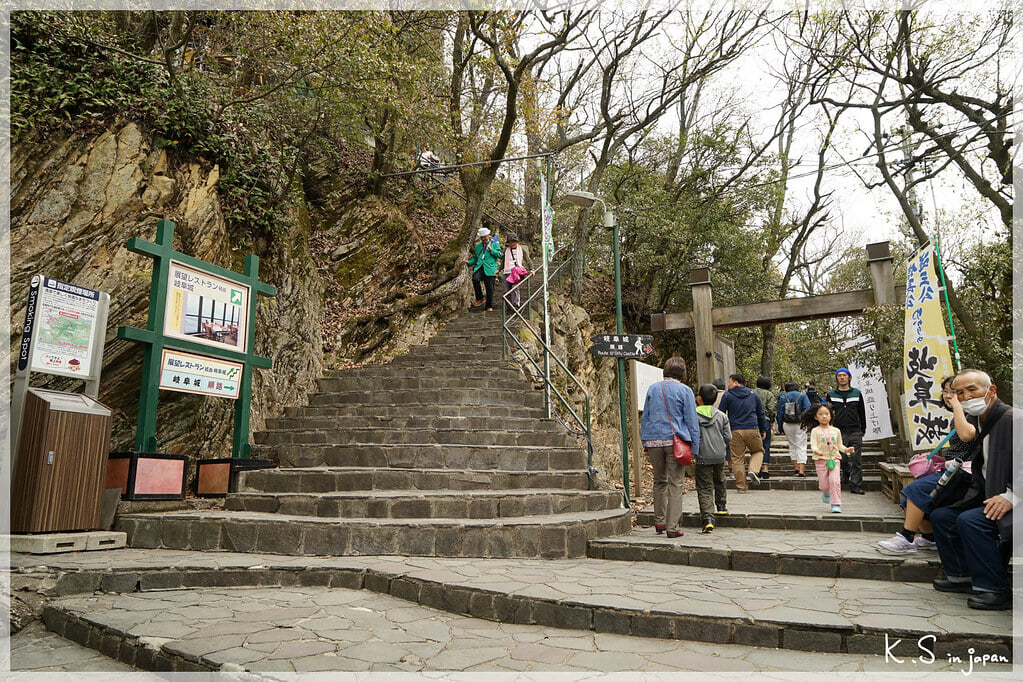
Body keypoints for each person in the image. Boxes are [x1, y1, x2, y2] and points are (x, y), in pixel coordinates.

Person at [929, 369, 1016, 611]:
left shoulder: (1012, 419)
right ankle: (961, 576)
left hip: (1012, 497)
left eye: (972, 390)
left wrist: (1012, 496)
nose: (966, 397)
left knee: (972, 521)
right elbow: (966, 436)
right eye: (959, 393)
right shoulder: (981, 421)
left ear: (992, 390)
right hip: (988, 492)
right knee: (943, 517)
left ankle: (995, 589)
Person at [877, 376, 977, 554]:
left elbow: (967, 435)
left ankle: (907, 537)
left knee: (916, 490)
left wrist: (958, 408)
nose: (948, 395)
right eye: (946, 391)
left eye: (954, 391)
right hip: (950, 469)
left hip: (965, 473)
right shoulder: (959, 415)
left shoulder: (974, 414)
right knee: (909, 500)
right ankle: (930, 537)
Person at [640, 357, 700, 539]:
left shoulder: (653, 388)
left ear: (665, 371)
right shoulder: (685, 390)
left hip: (653, 440)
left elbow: (646, 417)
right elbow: (691, 420)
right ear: (682, 372)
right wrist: (695, 447)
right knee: (675, 484)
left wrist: (645, 441)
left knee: (659, 482)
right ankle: (672, 527)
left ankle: (659, 521)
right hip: (676, 442)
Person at [717, 373, 769, 492]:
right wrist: (763, 429)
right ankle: (753, 470)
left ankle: (741, 487)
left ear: (736, 382)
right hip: (752, 428)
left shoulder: (727, 395)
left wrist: (723, 429)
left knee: (737, 458)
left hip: (735, 430)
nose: (728, 385)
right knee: (758, 451)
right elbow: (761, 413)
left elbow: (721, 413)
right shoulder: (753, 395)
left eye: (729, 382)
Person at [805, 403, 854, 513]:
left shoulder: (836, 431)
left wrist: (847, 450)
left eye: (826, 414)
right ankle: (826, 492)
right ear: (816, 417)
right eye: (821, 414)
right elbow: (813, 445)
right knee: (824, 485)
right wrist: (817, 450)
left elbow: (840, 445)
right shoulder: (815, 431)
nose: (824, 416)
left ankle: (836, 504)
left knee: (835, 481)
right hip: (820, 460)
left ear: (831, 416)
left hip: (834, 459)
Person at [695, 383, 731, 533]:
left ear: (699, 398)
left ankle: (708, 519)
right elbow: (728, 437)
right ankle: (721, 506)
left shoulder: (693, 414)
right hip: (719, 455)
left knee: (704, 487)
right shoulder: (721, 416)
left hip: (702, 455)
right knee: (720, 479)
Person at [827, 368, 867, 495]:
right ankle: (846, 470)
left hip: (855, 430)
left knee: (856, 459)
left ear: (849, 377)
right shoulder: (831, 394)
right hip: (838, 431)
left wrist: (863, 428)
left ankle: (855, 484)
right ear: (836, 378)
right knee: (841, 457)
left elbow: (862, 412)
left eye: (844, 375)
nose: (842, 377)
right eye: (839, 376)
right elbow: (827, 412)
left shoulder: (856, 393)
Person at [777, 381, 811, 477]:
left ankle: (795, 467)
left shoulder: (784, 397)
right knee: (801, 445)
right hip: (800, 423)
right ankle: (801, 470)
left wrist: (780, 427)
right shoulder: (803, 396)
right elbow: (807, 409)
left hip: (787, 424)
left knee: (792, 445)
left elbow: (780, 413)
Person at [464, 227, 502, 311]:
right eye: (482, 237)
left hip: (490, 268)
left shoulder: (494, 244)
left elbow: (500, 255)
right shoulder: (478, 246)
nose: (484, 238)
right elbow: (475, 258)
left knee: (489, 288)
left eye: (485, 236)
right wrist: (469, 262)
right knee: (475, 279)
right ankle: (480, 298)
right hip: (480, 267)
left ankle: (489, 306)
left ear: (488, 235)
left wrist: (492, 250)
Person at [753, 376, 777, 480]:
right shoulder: (769, 394)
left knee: (754, 445)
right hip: (765, 419)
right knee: (766, 444)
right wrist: (772, 421)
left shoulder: (752, 393)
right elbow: (771, 410)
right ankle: (765, 468)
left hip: (752, 420)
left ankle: (755, 468)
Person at [501, 233, 532, 311]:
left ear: (516, 242)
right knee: (506, 291)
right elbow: (503, 261)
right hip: (507, 271)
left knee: (515, 288)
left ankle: (516, 305)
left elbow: (528, 260)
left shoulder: (522, 249)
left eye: (513, 242)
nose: (512, 244)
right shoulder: (506, 250)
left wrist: (532, 269)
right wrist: (499, 269)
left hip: (516, 272)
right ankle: (509, 307)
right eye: (510, 242)